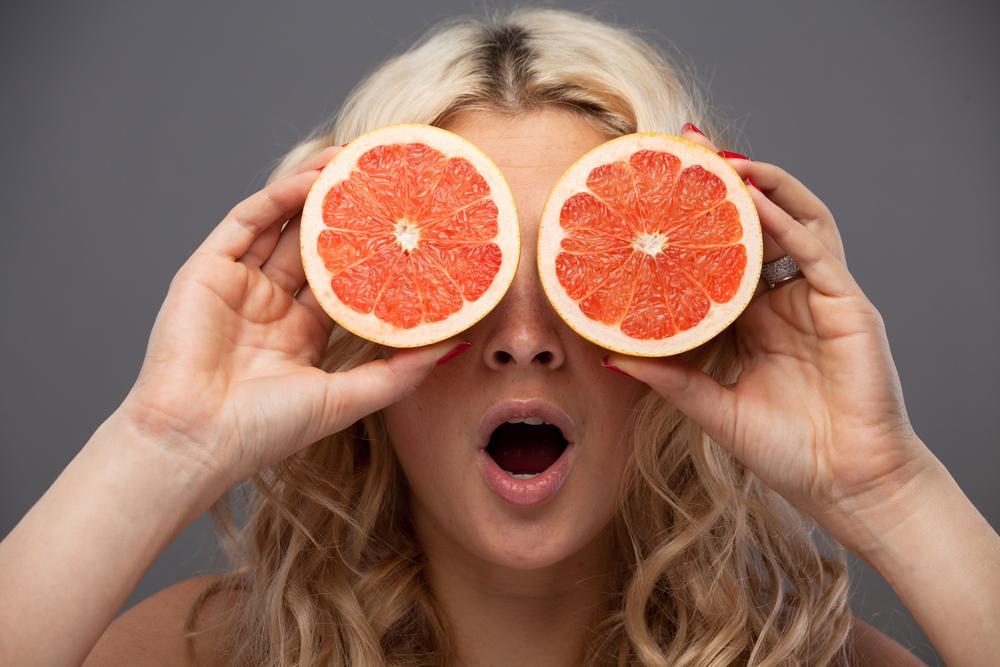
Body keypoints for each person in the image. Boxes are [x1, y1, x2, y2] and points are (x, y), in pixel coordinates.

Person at [1, 7, 996, 666]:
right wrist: (161, 441)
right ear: (364, 324)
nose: (523, 341)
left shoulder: (819, 662)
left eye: (581, 280)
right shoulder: (190, 653)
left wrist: (889, 490)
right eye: (463, 281)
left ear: (687, 324)